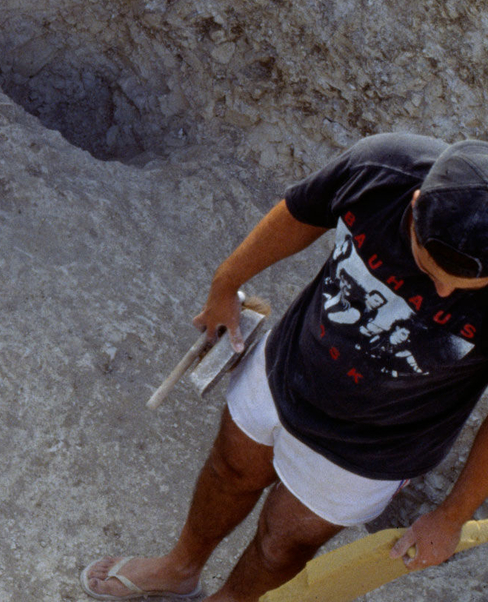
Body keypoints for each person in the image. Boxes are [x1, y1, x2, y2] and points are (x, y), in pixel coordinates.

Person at [82, 134, 488, 601]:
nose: (439, 293)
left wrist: (452, 516)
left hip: (374, 449)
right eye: (431, 268)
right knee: (228, 471)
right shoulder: (386, 169)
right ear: (415, 205)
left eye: (462, 286)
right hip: (285, 369)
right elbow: (302, 212)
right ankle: (180, 569)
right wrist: (226, 283)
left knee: (283, 544)